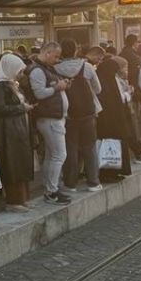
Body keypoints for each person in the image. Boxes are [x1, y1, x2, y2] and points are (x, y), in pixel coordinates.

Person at [25, 42, 72, 205]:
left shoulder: (47, 68)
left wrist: (62, 85)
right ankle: (51, 190)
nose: (57, 60)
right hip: (49, 118)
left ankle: (50, 188)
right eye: (56, 56)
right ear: (47, 53)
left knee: (52, 155)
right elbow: (39, 93)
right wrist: (57, 88)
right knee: (60, 154)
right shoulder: (38, 70)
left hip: (54, 117)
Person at [54, 40, 102, 192]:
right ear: (76, 50)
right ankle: (93, 182)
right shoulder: (86, 66)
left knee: (71, 148)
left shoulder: (55, 68)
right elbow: (98, 89)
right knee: (90, 147)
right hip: (88, 113)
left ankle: (70, 183)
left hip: (68, 114)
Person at [0, 54, 34, 208]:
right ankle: (14, 200)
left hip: (18, 129)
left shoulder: (12, 85)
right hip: (8, 132)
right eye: (19, 71)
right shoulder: (0, 87)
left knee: (20, 163)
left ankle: (22, 198)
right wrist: (22, 107)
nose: (21, 75)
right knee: (13, 165)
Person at [95, 55, 134, 183]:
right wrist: (128, 94)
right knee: (108, 146)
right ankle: (107, 174)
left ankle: (115, 172)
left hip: (113, 120)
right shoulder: (105, 81)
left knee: (114, 145)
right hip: (108, 121)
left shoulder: (107, 79)